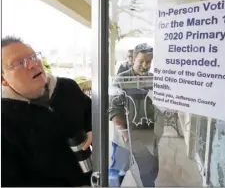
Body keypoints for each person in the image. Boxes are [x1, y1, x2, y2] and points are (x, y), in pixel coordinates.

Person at [1, 36, 93, 187]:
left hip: (91, 177)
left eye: (33, 56)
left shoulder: (67, 87)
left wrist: (92, 128)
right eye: (18, 63)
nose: (33, 64)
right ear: (3, 79)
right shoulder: (4, 118)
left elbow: (90, 111)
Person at [108, 43, 164, 187]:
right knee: (117, 173)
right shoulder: (121, 80)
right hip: (124, 138)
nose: (145, 65)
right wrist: (125, 132)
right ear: (134, 59)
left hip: (146, 137)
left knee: (148, 175)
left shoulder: (154, 80)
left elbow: (161, 108)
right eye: (141, 61)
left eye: (149, 61)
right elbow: (114, 108)